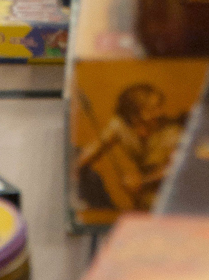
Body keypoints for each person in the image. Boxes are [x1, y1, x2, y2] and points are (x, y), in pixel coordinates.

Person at [75, 83, 187, 211]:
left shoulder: (172, 132)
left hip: (172, 201)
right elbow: (93, 150)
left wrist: (143, 181)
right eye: (152, 109)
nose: (159, 113)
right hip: (145, 203)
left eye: (159, 106)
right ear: (133, 115)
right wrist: (75, 167)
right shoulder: (121, 125)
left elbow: (176, 168)